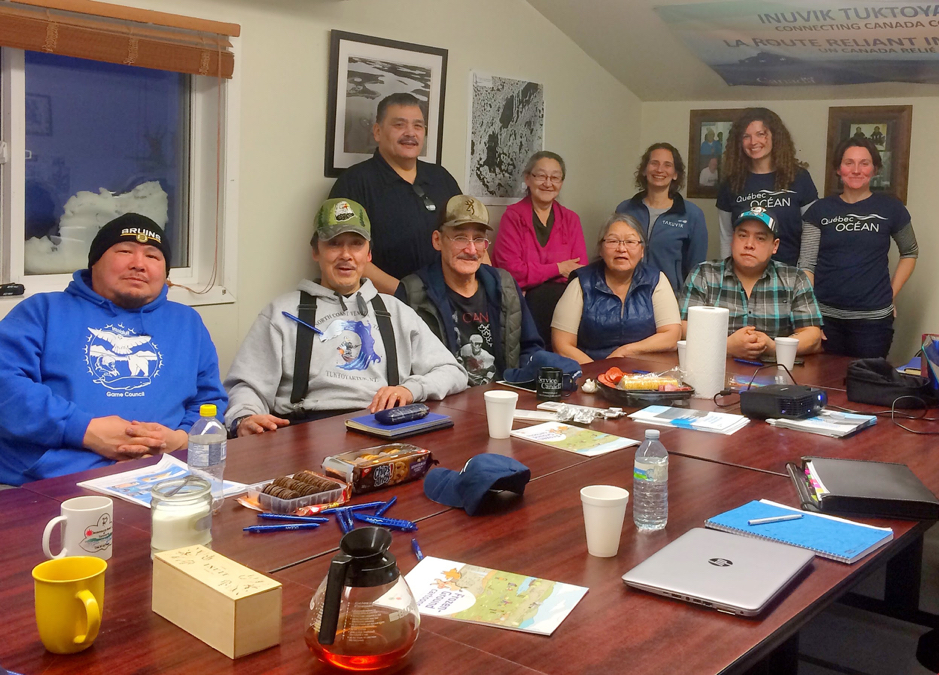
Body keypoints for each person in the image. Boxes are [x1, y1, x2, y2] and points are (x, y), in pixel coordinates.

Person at [0, 213, 227, 486]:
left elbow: (209, 401)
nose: (139, 264)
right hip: (53, 479)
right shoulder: (43, 311)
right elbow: (7, 387)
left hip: (163, 475)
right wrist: (85, 430)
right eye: (124, 251)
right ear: (95, 262)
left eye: (153, 256)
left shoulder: (187, 322)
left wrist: (179, 439)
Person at [225, 198, 467, 436]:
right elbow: (246, 386)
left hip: (384, 429)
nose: (346, 255)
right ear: (315, 251)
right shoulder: (281, 314)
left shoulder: (397, 311)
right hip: (304, 433)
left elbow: (453, 372)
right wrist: (245, 417)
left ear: (369, 254)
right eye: (334, 243)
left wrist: (410, 389)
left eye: (356, 244)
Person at [397, 195, 544, 387]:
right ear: (437, 240)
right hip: (443, 402)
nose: (472, 249)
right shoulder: (412, 294)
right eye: (460, 238)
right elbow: (401, 367)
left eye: (479, 239)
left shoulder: (505, 286)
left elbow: (530, 348)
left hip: (501, 397)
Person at [328, 93, 462, 295]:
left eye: (418, 126)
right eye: (399, 125)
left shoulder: (441, 177)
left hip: (449, 300)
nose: (410, 133)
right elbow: (347, 257)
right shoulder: (354, 183)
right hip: (385, 306)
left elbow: (471, 237)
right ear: (377, 132)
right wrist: (408, 295)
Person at [798, 137, 917, 358]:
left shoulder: (892, 208)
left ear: (875, 169)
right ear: (838, 169)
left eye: (864, 163)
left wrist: (890, 295)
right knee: (824, 384)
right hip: (825, 320)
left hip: (873, 323)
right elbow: (806, 264)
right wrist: (811, 316)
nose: (856, 170)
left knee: (866, 385)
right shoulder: (819, 210)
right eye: (848, 163)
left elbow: (910, 252)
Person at [681, 208, 822, 360]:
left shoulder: (794, 278)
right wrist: (726, 345)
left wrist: (773, 347)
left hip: (774, 374)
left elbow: (812, 336)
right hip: (714, 367)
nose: (749, 244)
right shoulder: (704, 274)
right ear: (732, 239)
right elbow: (683, 328)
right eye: (742, 235)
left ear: (775, 246)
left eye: (760, 238)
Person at [551, 214, 681, 364]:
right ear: (601, 249)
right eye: (613, 241)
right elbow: (562, 345)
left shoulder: (656, 281)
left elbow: (671, 336)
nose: (621, 249)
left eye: (630, 241)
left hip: (645, 374)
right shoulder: (581, 282)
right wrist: (599, 373)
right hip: (589, 374)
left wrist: (626, 351)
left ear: (642, 251)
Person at [491, 151, 588, 346]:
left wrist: (533, 275)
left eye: (555, 178)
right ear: (528, 178)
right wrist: (558, 268)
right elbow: (510, 271)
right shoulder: (513, 217)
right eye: (541, 176)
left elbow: (579, 272)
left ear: (561, 183)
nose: (548, 183)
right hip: (523, 306)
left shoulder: (571, 219)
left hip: (563, 305)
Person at [717, 107, 818, 266]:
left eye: (760, 134)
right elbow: (727, 236)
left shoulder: (799, 177)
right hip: (744, 274)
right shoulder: (731, 183)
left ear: (775, 137)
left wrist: (805, 272)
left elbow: (812, 233)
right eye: (746, 136)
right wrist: (726, 274)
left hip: (790, 274)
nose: (753, 142)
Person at [616, 142, 708, 293]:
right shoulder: (625, 209)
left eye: (667, 165)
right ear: (645, 170)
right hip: (626, 293)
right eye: (654, 163)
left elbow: (696, 269)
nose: (659, 169)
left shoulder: (692, 214)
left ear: (675, 174)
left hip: (670, 297)